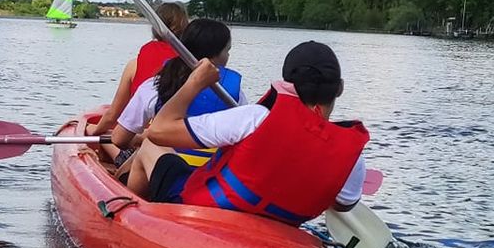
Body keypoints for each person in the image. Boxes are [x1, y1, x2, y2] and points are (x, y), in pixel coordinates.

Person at [141, 41, 368, 223]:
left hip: (206, 213)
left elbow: (159, 131)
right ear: (339, 88)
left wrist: (195, 83)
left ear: (288, 85)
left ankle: (133, 215)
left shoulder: (255, 118)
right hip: (278, 228)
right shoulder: (352, 157)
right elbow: (342, 204)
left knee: (149, 146)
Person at [109, 19, 244, 195]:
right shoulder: (235, 93)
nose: (228, 57)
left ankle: (130, 203)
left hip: (174, 177)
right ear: (217, 55)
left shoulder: (155, 85)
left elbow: (119, 139)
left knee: (149, 144)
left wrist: (139, 139)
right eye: (227, 51)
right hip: (214, 181)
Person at [91, 2, 189, 138]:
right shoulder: (191, 64)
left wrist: (92, 134)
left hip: (143, 138)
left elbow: (112, 116)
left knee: (102, 131)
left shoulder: (134, 65)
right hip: (174, 138)